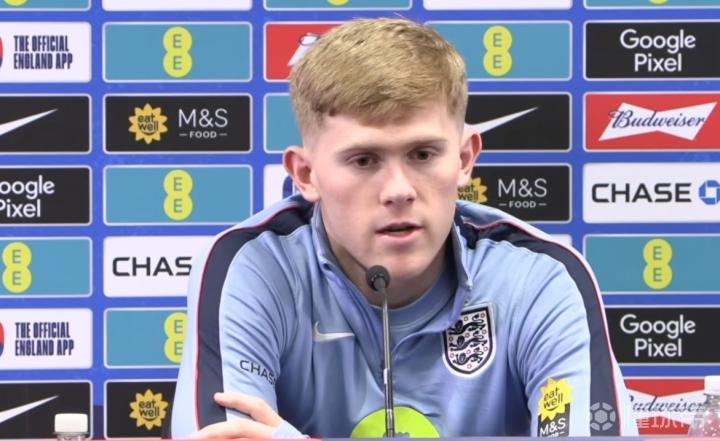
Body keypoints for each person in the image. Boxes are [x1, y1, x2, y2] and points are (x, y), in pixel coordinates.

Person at [168, 17, 637, 438]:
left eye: (422, 154)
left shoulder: (540, 278)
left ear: (464, 159)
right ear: (306, 175)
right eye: (364, 160)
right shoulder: (253, 267)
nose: (398, 190)